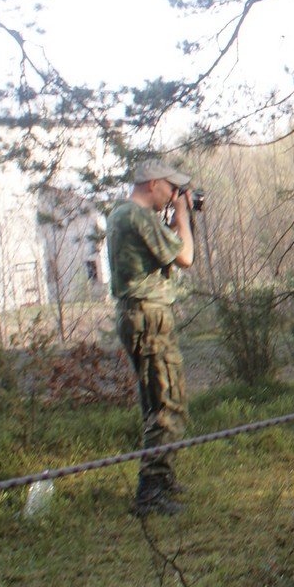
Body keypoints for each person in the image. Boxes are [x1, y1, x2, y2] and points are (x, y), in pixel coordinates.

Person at [107, 159, 196, 517]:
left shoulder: (122, 214)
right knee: (168, 404)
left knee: (154, 401)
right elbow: (185, 256)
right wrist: (183, 216)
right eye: (170, 189)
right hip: (149, 318)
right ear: (153, 184)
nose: (173, 195)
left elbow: (163, 254)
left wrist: (173, 220)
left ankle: (162, 476)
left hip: (137, 315)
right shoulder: (138, 216)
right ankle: (150, 491)